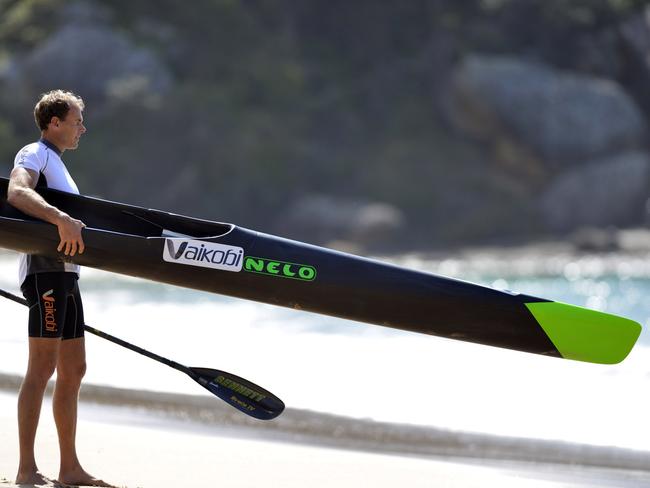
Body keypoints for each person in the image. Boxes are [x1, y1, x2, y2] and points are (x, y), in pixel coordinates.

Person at [7, 90, 112, 487]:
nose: (82, 128)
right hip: (45, 270)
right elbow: (17, 192)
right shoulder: (33, 154)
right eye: (76, 121)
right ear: (54, 123)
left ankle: (69, 468)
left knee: (74, 369)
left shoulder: (59, 165)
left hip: (68, 273)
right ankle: (25, 469)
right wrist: (60, 218)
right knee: (42, 369)